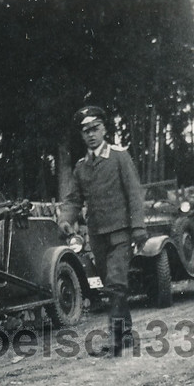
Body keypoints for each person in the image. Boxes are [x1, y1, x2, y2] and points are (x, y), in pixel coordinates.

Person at [58, 106, 147, 357]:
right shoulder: (81, 167)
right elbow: (73, 199)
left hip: (121, 232)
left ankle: (116, 340)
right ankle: (127, 334)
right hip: (97, 236)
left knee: (116, 284)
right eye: (86, 131)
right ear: (82, 135)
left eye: (95, 128)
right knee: (112, 286)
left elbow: (134, 193)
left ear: (105, 129)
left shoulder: (119, 156)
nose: (91, 135)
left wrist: (138, 227)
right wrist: (66, 219)